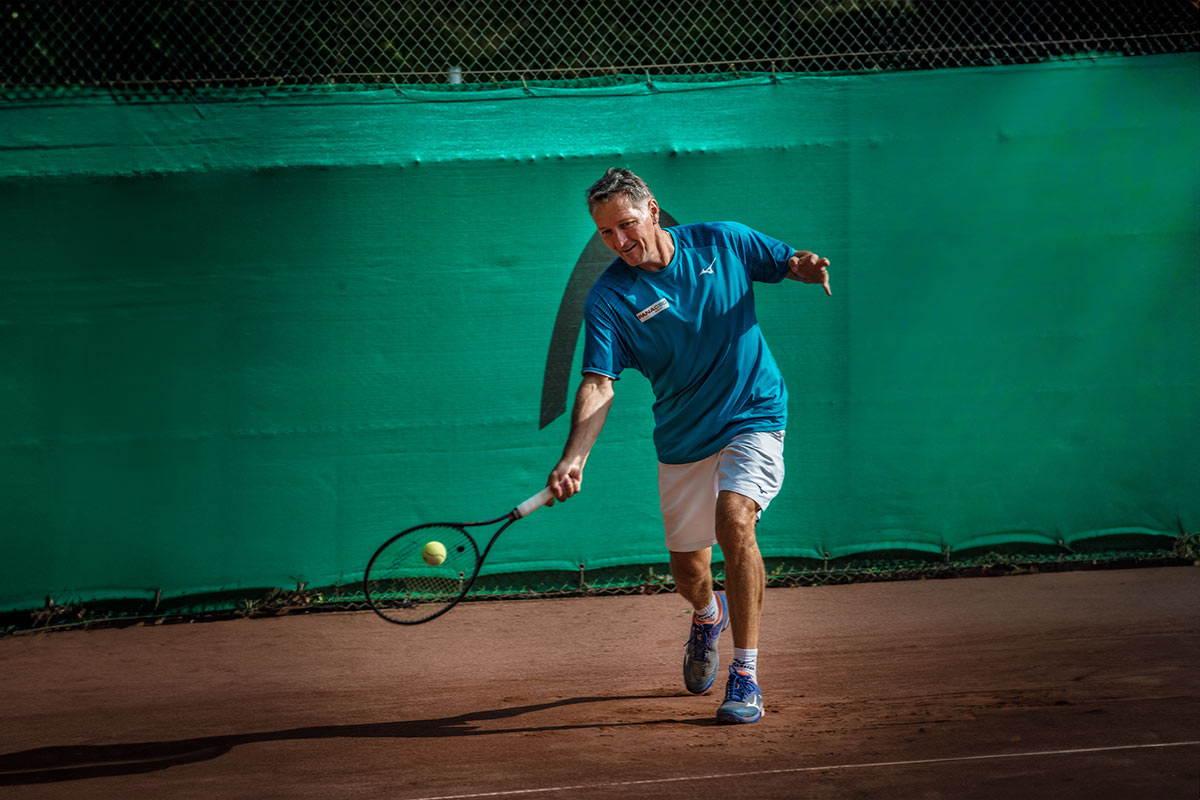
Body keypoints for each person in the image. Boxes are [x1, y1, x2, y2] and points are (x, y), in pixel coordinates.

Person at [546, 168, 831, 724]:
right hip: (682, 437)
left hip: (754, 412)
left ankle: (744, 674)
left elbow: (785, 261)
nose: (620, 242)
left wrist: (804, 266)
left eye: (626, 225)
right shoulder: (609, 299)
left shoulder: (722, 241)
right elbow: (599, 383)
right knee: (688, 571)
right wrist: (574, 455)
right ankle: (706, 617)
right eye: (606, 234)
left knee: (735, 520)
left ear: (652, 208)